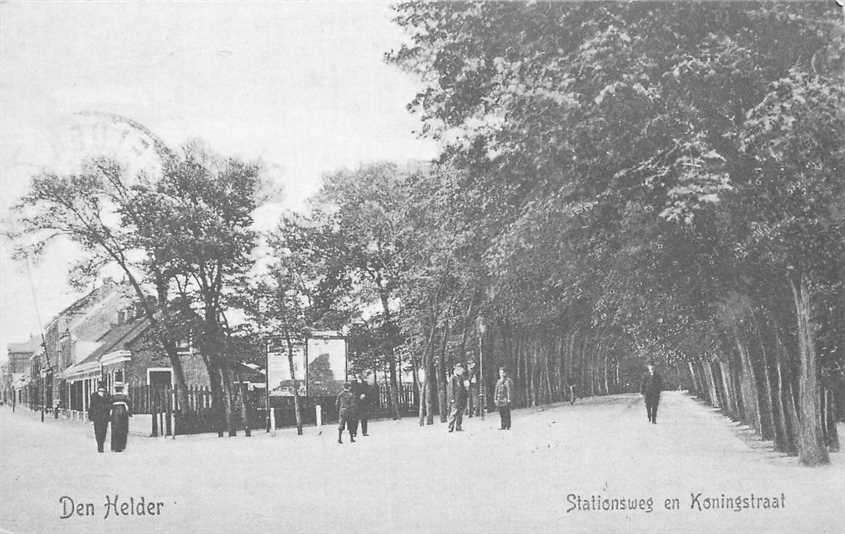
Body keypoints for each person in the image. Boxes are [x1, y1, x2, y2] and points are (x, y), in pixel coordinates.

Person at [87, 382, 111, 453]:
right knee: (101, 431)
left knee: (100, 432)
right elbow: (91, 407)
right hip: (101, 417)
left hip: (99, 417)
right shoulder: (96, 395)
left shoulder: (106, 396)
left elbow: (91, 407)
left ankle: (100, 445)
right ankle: (100, 446)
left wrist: (90, 416)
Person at [109, 383, 132, 452]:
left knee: (115, 430)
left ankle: (115, 446)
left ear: (115, 390)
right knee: (123, 429)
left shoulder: (112, 397)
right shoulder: (125, 397)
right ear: (122, 389)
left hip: (115, 414)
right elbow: (130, 405)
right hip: (123, 414)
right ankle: (122, 446)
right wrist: (130, 413)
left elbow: (109, 405)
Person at [448, 364, 468, 432]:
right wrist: (452, 399)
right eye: (461, 370)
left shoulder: (461, 378)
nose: (462, 372)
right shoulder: (453, 378)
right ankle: (450, 427)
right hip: (455, 399)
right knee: (453, 413)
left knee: (460, 414)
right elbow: (451, 389)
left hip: (461, 399)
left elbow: (463, 388)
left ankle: (458, 427)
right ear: (457, 370)